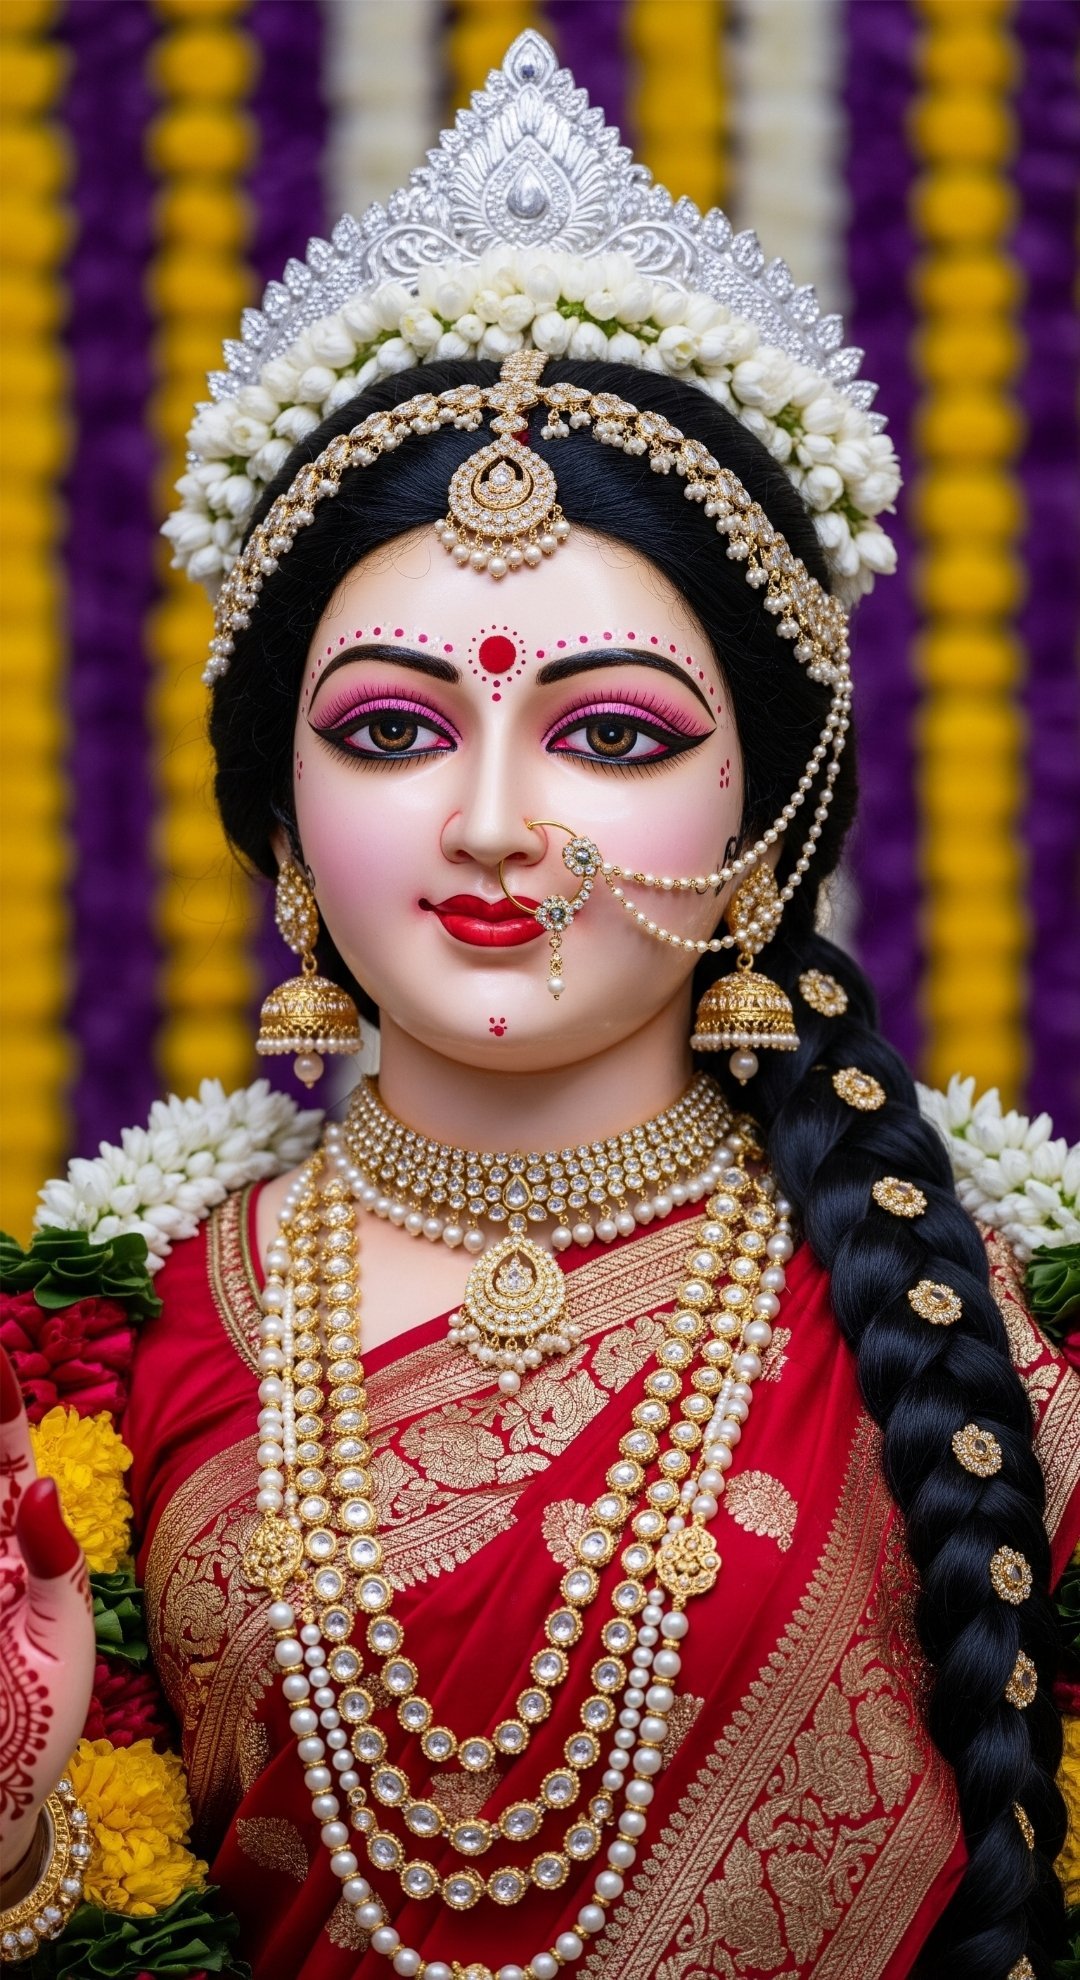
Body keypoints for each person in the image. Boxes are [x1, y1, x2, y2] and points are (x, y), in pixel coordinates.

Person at [1, 32, 1076, 1980]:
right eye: (397, 727)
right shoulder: (105, 1356)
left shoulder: (982, 1346)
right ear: (279, 806)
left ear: (770, 803)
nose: (493, 824)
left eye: (607, 732)